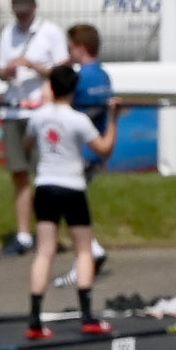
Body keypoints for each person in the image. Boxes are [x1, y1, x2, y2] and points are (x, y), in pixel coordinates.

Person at [20, 63, 118, 340]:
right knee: (84, 251)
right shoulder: (79, 120)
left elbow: (27, 145)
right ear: (74, 90)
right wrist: (114, 118)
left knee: (44, 252)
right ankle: (87, 317)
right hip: (72, 187)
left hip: (45, 187)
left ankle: (35, 320)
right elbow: (104, 149)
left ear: (50, 86)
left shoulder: (38, 118)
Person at [0, 0, 69, 260]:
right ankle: (24, 234)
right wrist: (8, 71)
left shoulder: (50, 32)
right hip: (14, 110)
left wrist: (33, 66)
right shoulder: (7, 33)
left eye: (26, 10)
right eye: (18, 11)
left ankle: (49, 234)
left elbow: (62, 72)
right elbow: (0, 71)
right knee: (19, 173)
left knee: (46, 175)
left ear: (35, 8)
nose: (23, 16)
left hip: (42, 110)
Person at [65, 26, 113, 273]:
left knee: (70, 207)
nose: (68, 52)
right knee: (74, 205)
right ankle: (91, 249)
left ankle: (86, 256)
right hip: (97, 151)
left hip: (80, 152)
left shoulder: (79, 79)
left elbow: (64, 107)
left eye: (70, 47)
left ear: (80, 48)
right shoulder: (104, 76)